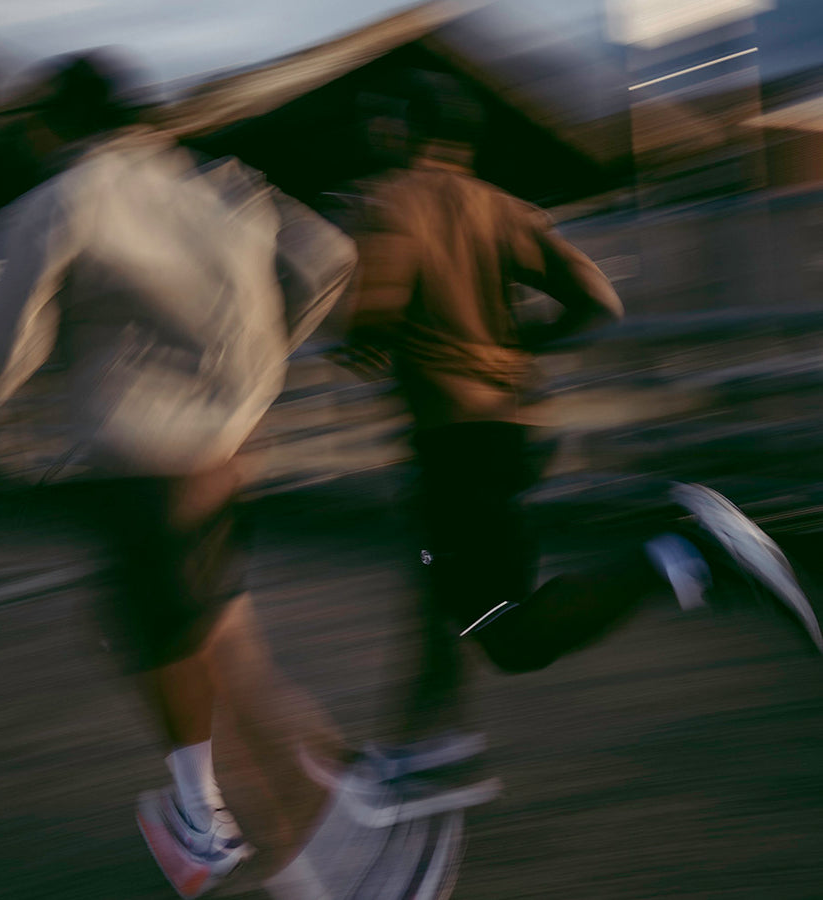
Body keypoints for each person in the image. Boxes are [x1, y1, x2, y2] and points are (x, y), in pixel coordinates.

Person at [0, 49, 364, 899]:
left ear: (54, 125)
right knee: (208, 639)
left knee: (166, 641)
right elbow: (329, 255)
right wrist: (267, 354)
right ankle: (305, 813)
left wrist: (45, 360)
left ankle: (220, 816)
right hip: (228, 450)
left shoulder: (60, 200)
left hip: (135, 460)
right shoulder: (221, 186)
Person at [343, 72, 823, 762]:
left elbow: (375, 312)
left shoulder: (391, 201)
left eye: (382, 120)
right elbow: (599, 297)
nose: (375, 133)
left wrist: (362, 331)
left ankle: (682, 551)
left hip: (456, 442)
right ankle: (426, 743)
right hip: (510, 433)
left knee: (505, 633)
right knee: (437, 575)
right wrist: (517, 343)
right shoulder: (505, 210)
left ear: (400, 126)